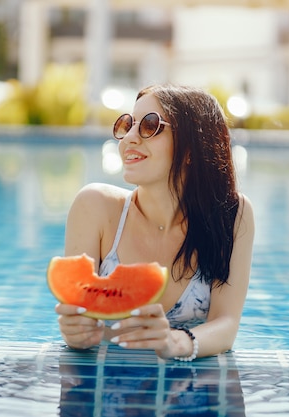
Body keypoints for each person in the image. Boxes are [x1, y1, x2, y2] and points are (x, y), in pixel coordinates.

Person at [55, 84, 255, 361]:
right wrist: (75, 334)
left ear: (191, 149)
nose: (128, 139)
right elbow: (77, 321)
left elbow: (226, 325)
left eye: (150, 126)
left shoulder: (233, 214)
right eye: (128, 124)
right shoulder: (95, 207)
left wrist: (175, 343)